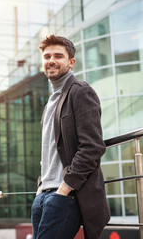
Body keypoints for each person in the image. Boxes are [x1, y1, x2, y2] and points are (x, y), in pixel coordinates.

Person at [31, 34, 110, 239]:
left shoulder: (80, 91)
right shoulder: (50, 103)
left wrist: (64, 189)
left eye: (58, 56)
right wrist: (41, 189)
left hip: (65, 196)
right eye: (47, 56)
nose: (51, 61)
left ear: (71, 62)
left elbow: (92, 147)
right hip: (43, 196)